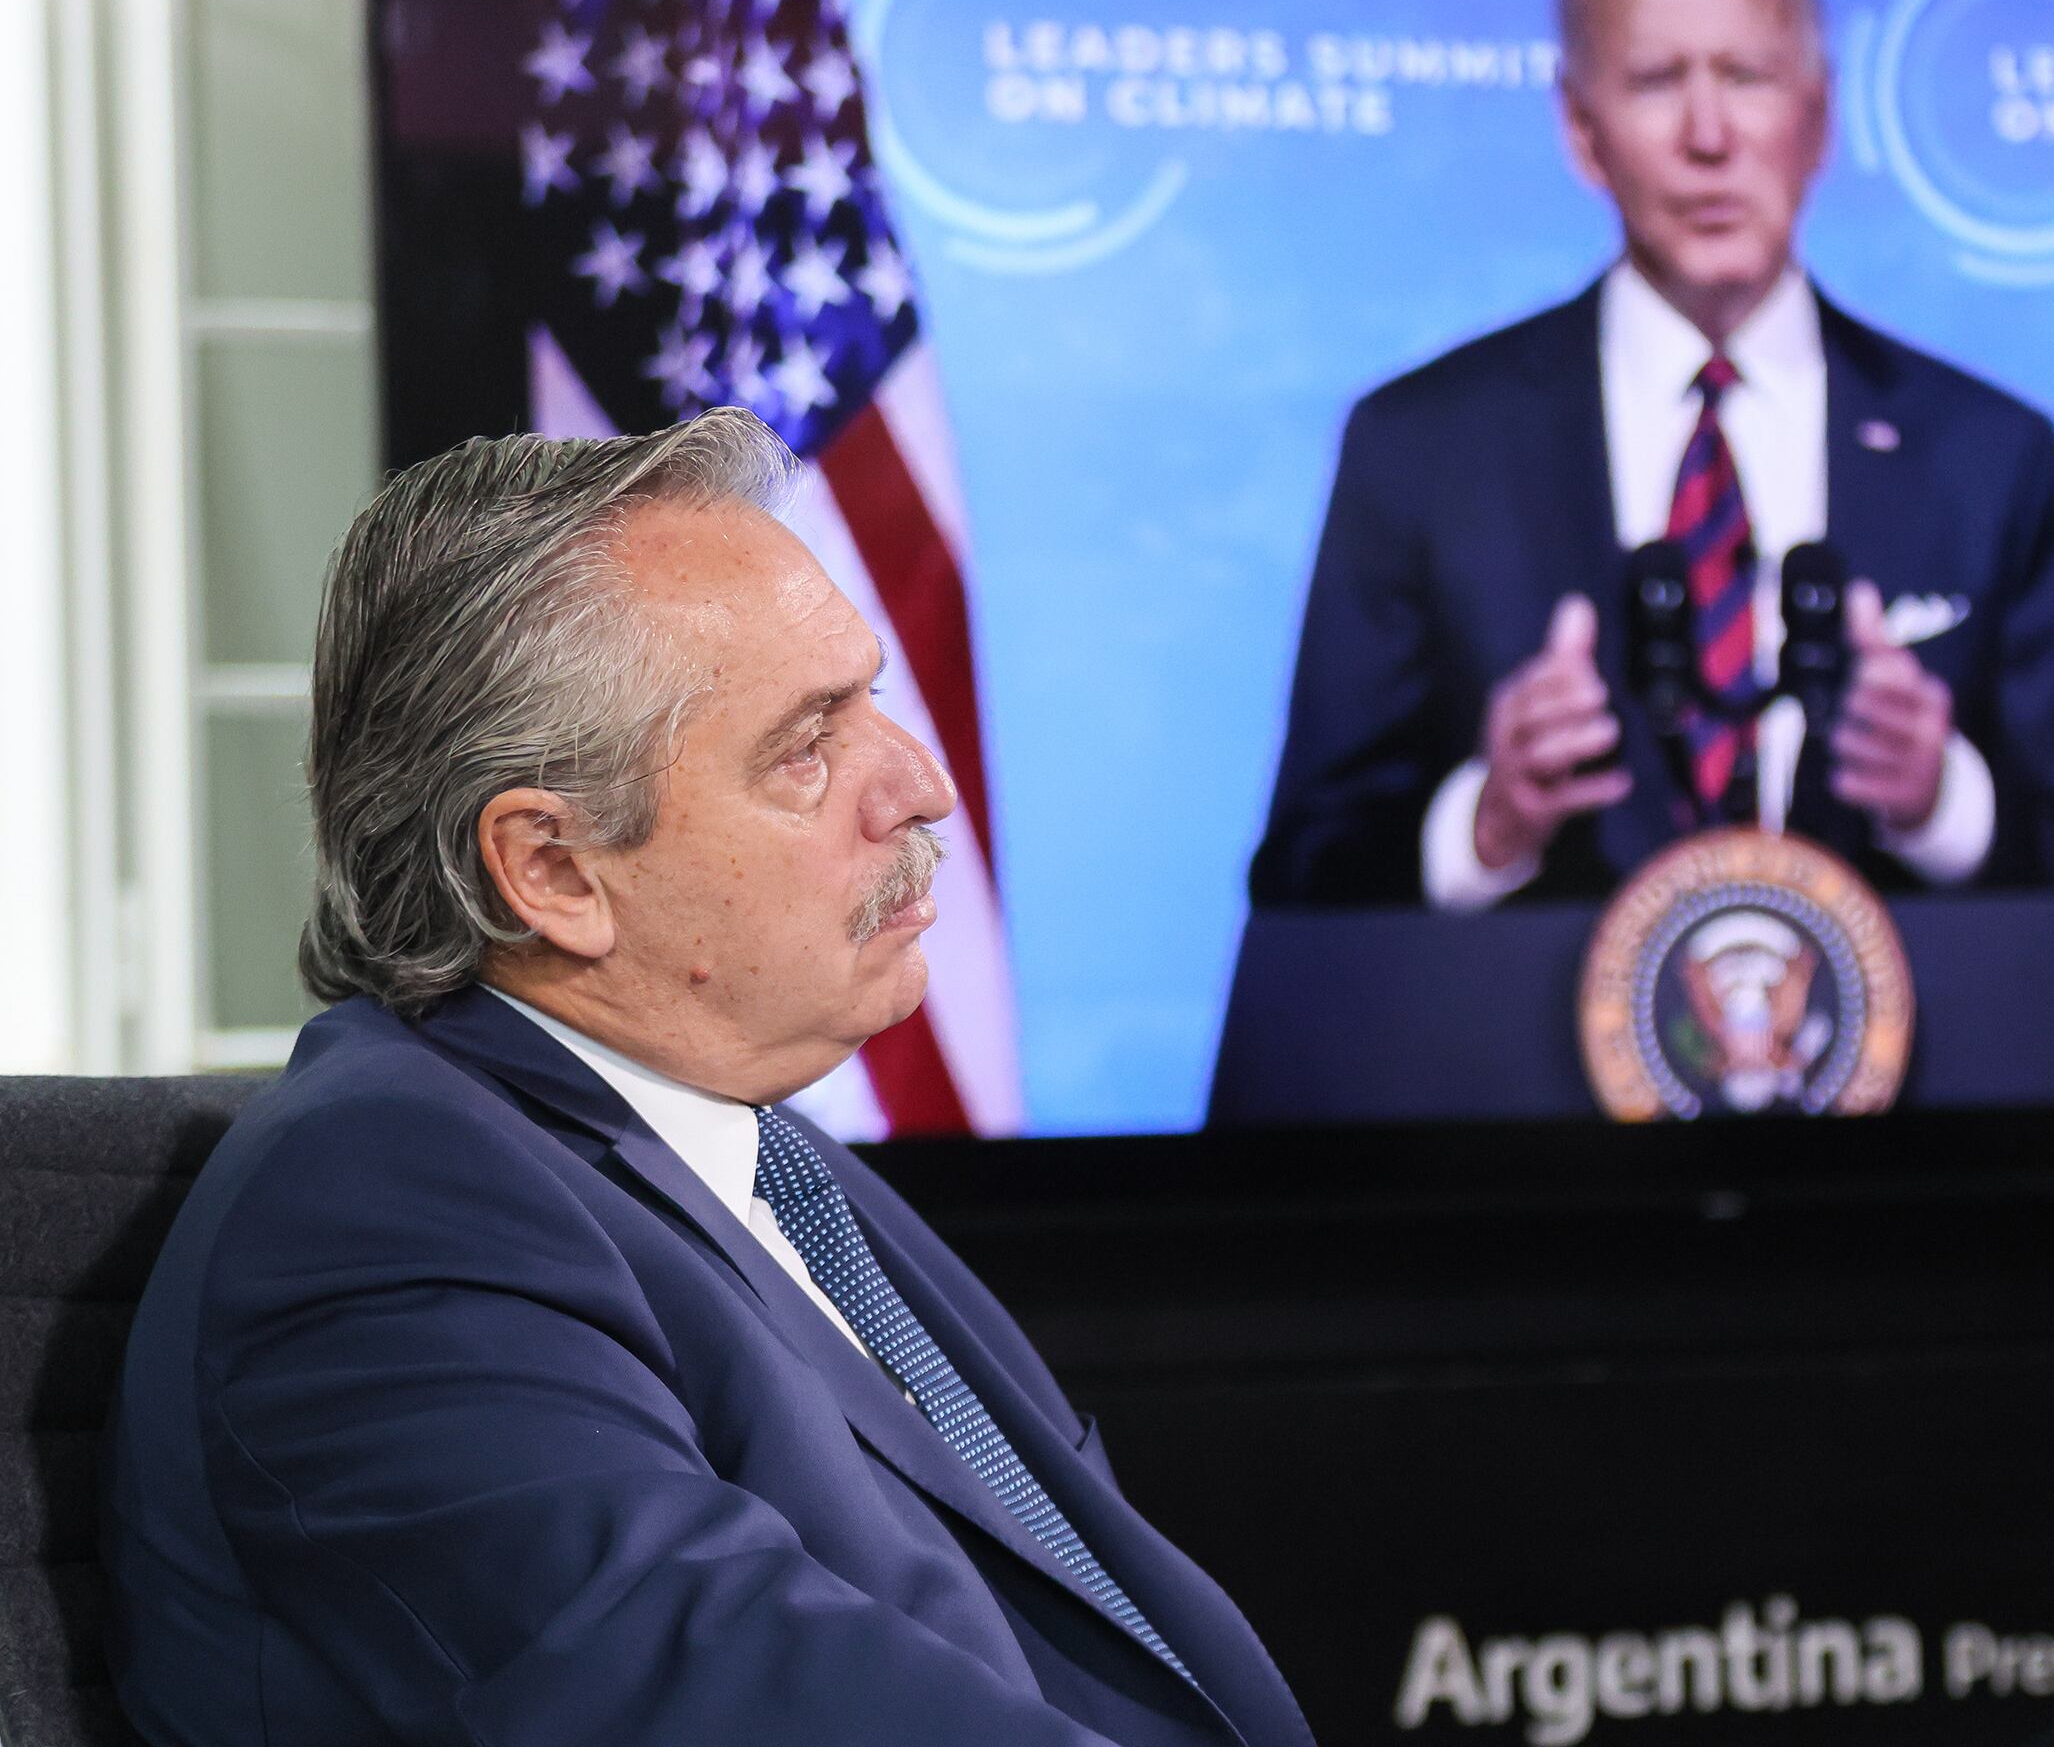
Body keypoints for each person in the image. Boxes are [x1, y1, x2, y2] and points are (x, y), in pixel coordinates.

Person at [103, 414, 1311, 1746]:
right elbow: (737, 1703)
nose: (920, 787)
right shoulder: (385, 1210)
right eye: (807, 748)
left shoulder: (763, 1162)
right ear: (554, 872)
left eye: (874, 701)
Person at [1249, 0, 2054, 909]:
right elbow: (1301, 890)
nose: (1709, 135)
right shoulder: (1422, 449)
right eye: (1656, 80)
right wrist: (1492, 821)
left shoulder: (1989, 457)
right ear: (1581, 131)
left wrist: (1940, 800)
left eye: (1748, 74)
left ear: (1819, 116)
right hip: (1519, 1061)